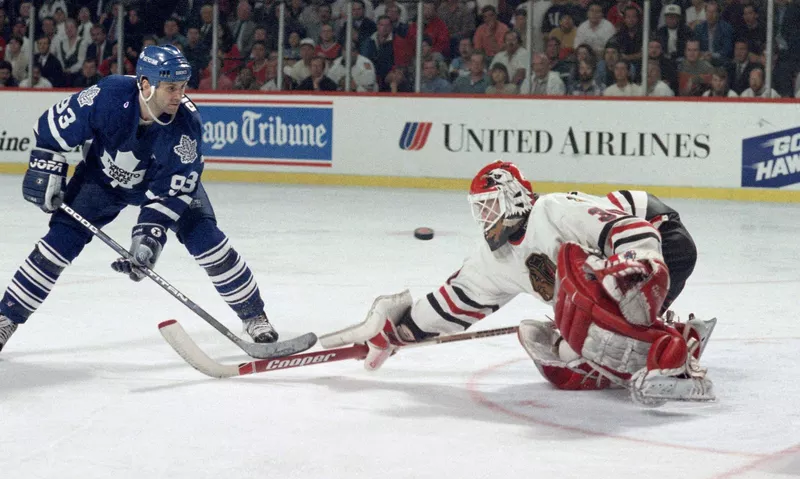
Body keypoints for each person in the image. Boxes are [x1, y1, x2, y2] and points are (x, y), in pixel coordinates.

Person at [321, 161, 715, 407]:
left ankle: (679, 358)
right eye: (480, 211)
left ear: (514, 197)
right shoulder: (495, 260)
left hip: (663, 237)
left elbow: (627, 227)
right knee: (567, 352)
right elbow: (457, 301)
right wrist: (399, 329)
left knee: (609, 297)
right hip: (620, 259)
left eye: (491, 206)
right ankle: (665, 336)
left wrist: (637, 263)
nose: (486, 219)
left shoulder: (551, 209)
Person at [0, 46, 279, 352]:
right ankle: (6, 319)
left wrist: (147, 240)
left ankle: (255, 316)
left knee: (208, 240)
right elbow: (53, 127)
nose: (179, 95)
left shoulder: (186, 128)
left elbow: (173, 193)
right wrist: (46, 165)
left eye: (183, 87)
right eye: (171, 87)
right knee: (58, 243)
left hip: (163, 185)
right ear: (145, 85)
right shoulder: (108, 94)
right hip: (102, 181)